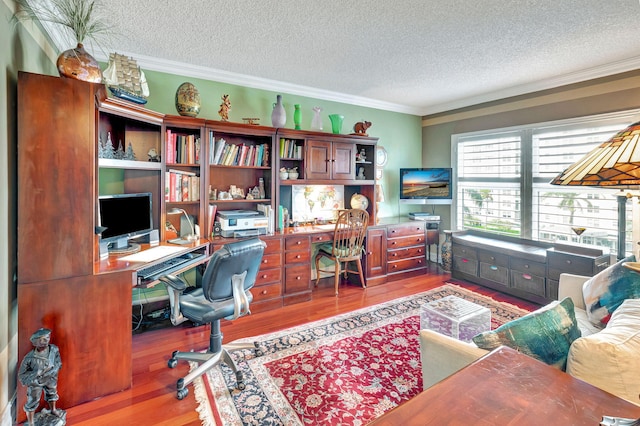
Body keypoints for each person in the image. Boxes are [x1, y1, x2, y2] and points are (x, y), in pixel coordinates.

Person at [18, 328, 62, 425]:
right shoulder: (29, 358)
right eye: (42, 339)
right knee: (32, 402)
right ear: (35, 342)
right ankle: (31, 422)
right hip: (36, 383)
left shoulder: (54, 349)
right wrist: (35, 375)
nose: (46, 341)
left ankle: (53, 410)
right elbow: (21, 375)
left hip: (51, 379)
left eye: (47, 337)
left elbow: (58, 361)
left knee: (52, 394)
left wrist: (54, 371)